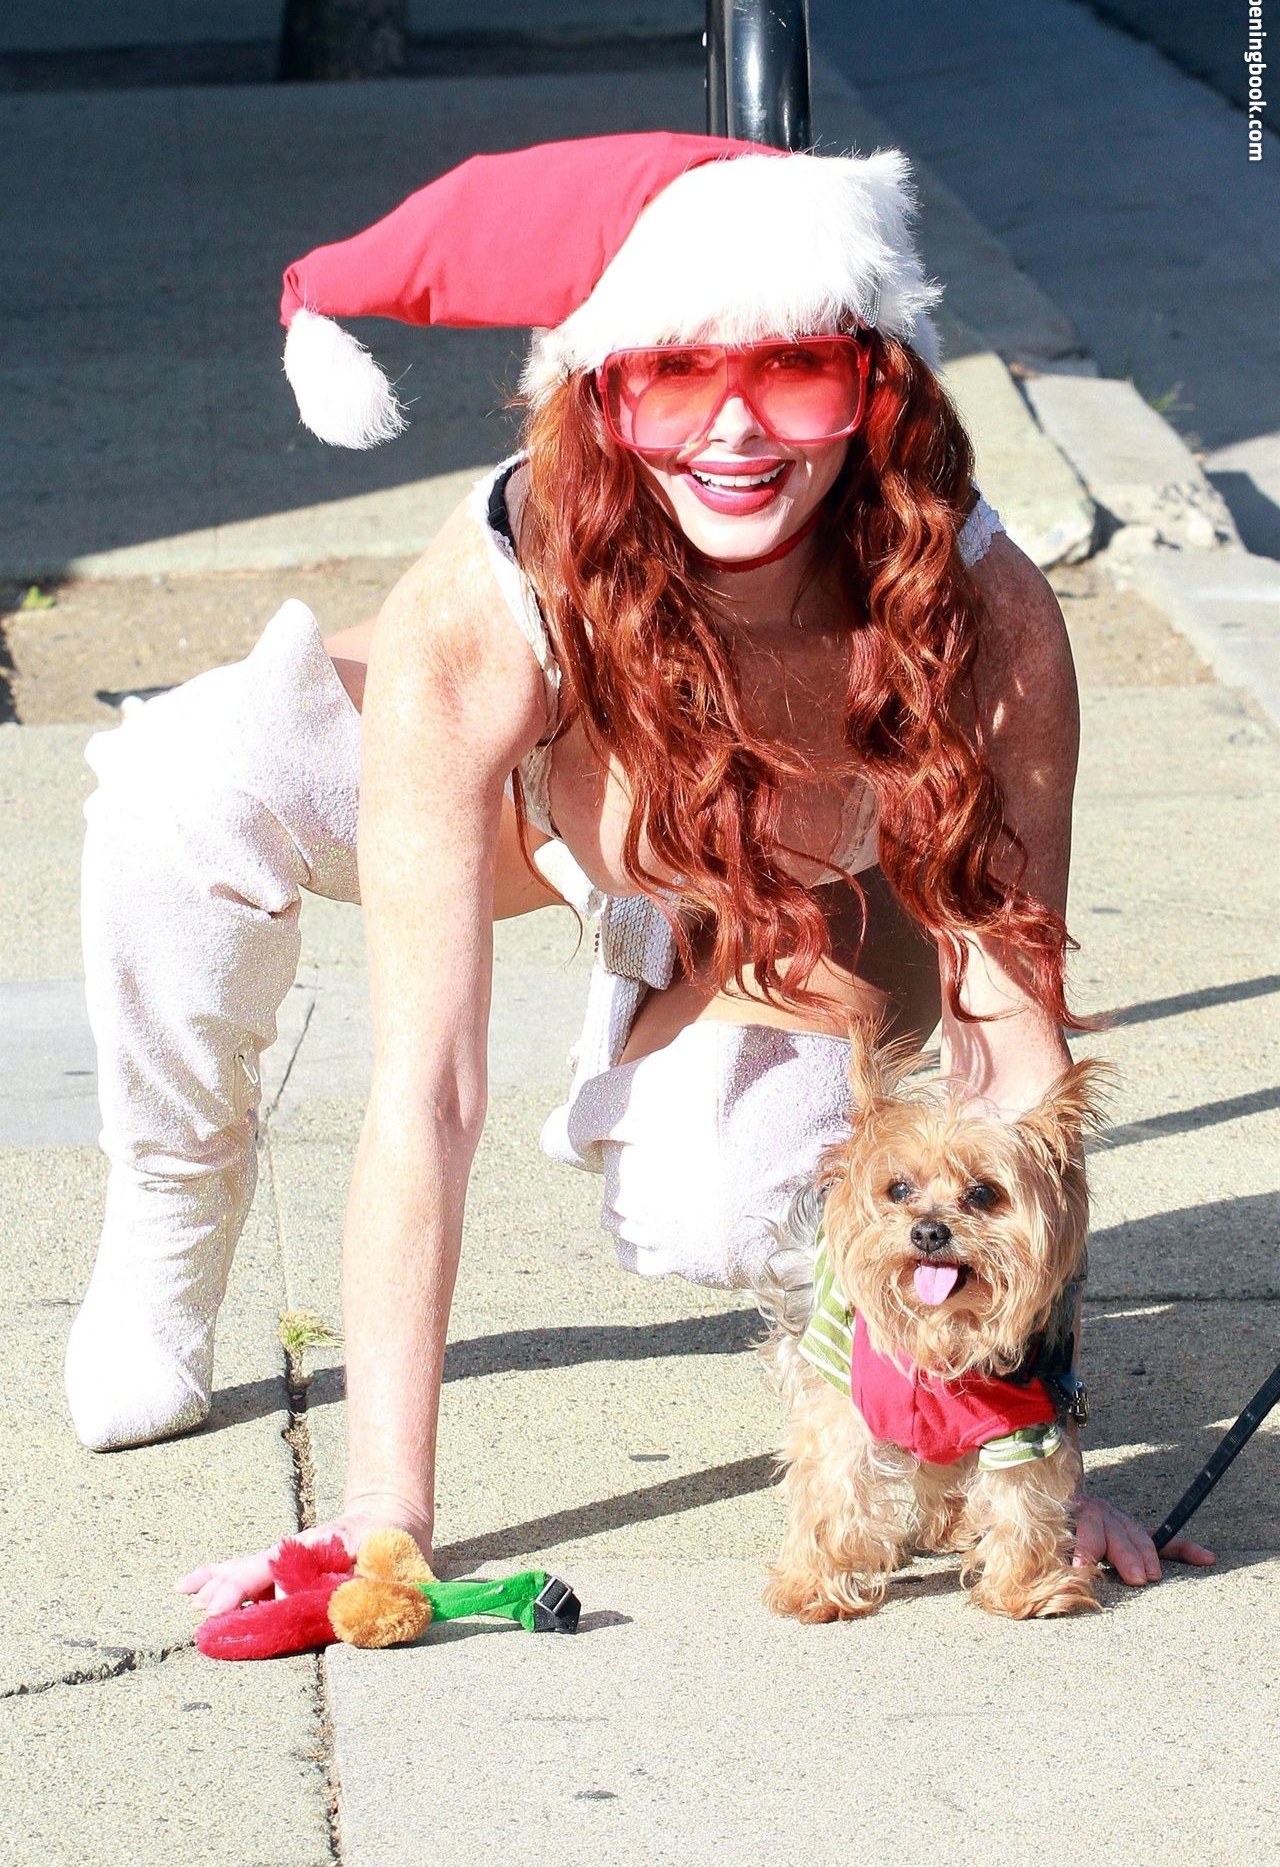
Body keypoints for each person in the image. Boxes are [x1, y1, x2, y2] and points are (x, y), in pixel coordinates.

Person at [64, 132, 1211, 1610]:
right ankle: (173, 1199)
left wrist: (1035, 1455)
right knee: (174, 790)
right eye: (672, 374)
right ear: (600, 391)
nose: (735, 431)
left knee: (720, 1207)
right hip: (539, 807)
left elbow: (1013, 1057)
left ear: (877, 384)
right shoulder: (486, 603)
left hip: (782, 884)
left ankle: (690, 1011)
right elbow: (429, 1087)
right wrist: (381, 1513)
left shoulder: (983, 612)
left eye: (794, 370)